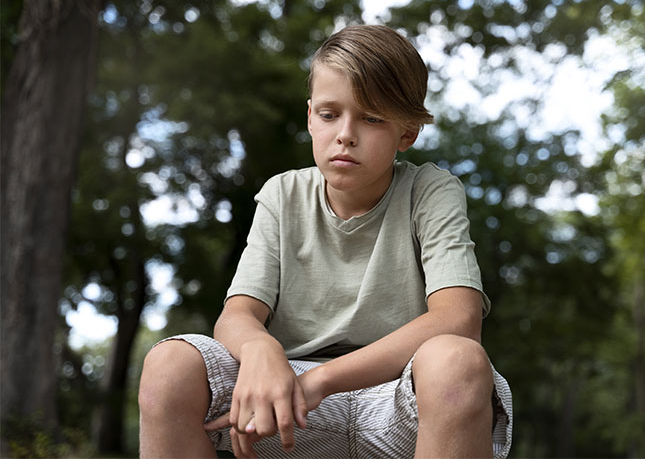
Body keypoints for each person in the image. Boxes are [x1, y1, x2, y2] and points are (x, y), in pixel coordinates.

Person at [138, 24, 512, 459]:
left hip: (398, 396)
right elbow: (237, 315)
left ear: (407, 133)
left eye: (372, 118)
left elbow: (458, 319)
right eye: (330, 114)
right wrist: (261, 349)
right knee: (170, 366)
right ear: (311, 116)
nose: (346, 134)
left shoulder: (430, 191)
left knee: (458, 361)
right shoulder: (282, 194)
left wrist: (320, 381)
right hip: (284, 397)